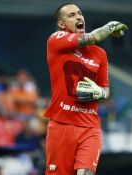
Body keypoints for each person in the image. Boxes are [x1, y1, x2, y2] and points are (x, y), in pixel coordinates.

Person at [44, 3, 127, 175]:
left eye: (80, 13)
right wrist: (110, 26)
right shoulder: (56, 40)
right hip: (61, 126)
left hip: (90, 127)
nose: (79, 17)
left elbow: (106, 90)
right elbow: (92, 37)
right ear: (61, 24)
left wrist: (100, 93)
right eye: (72, 15)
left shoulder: (100, 54)